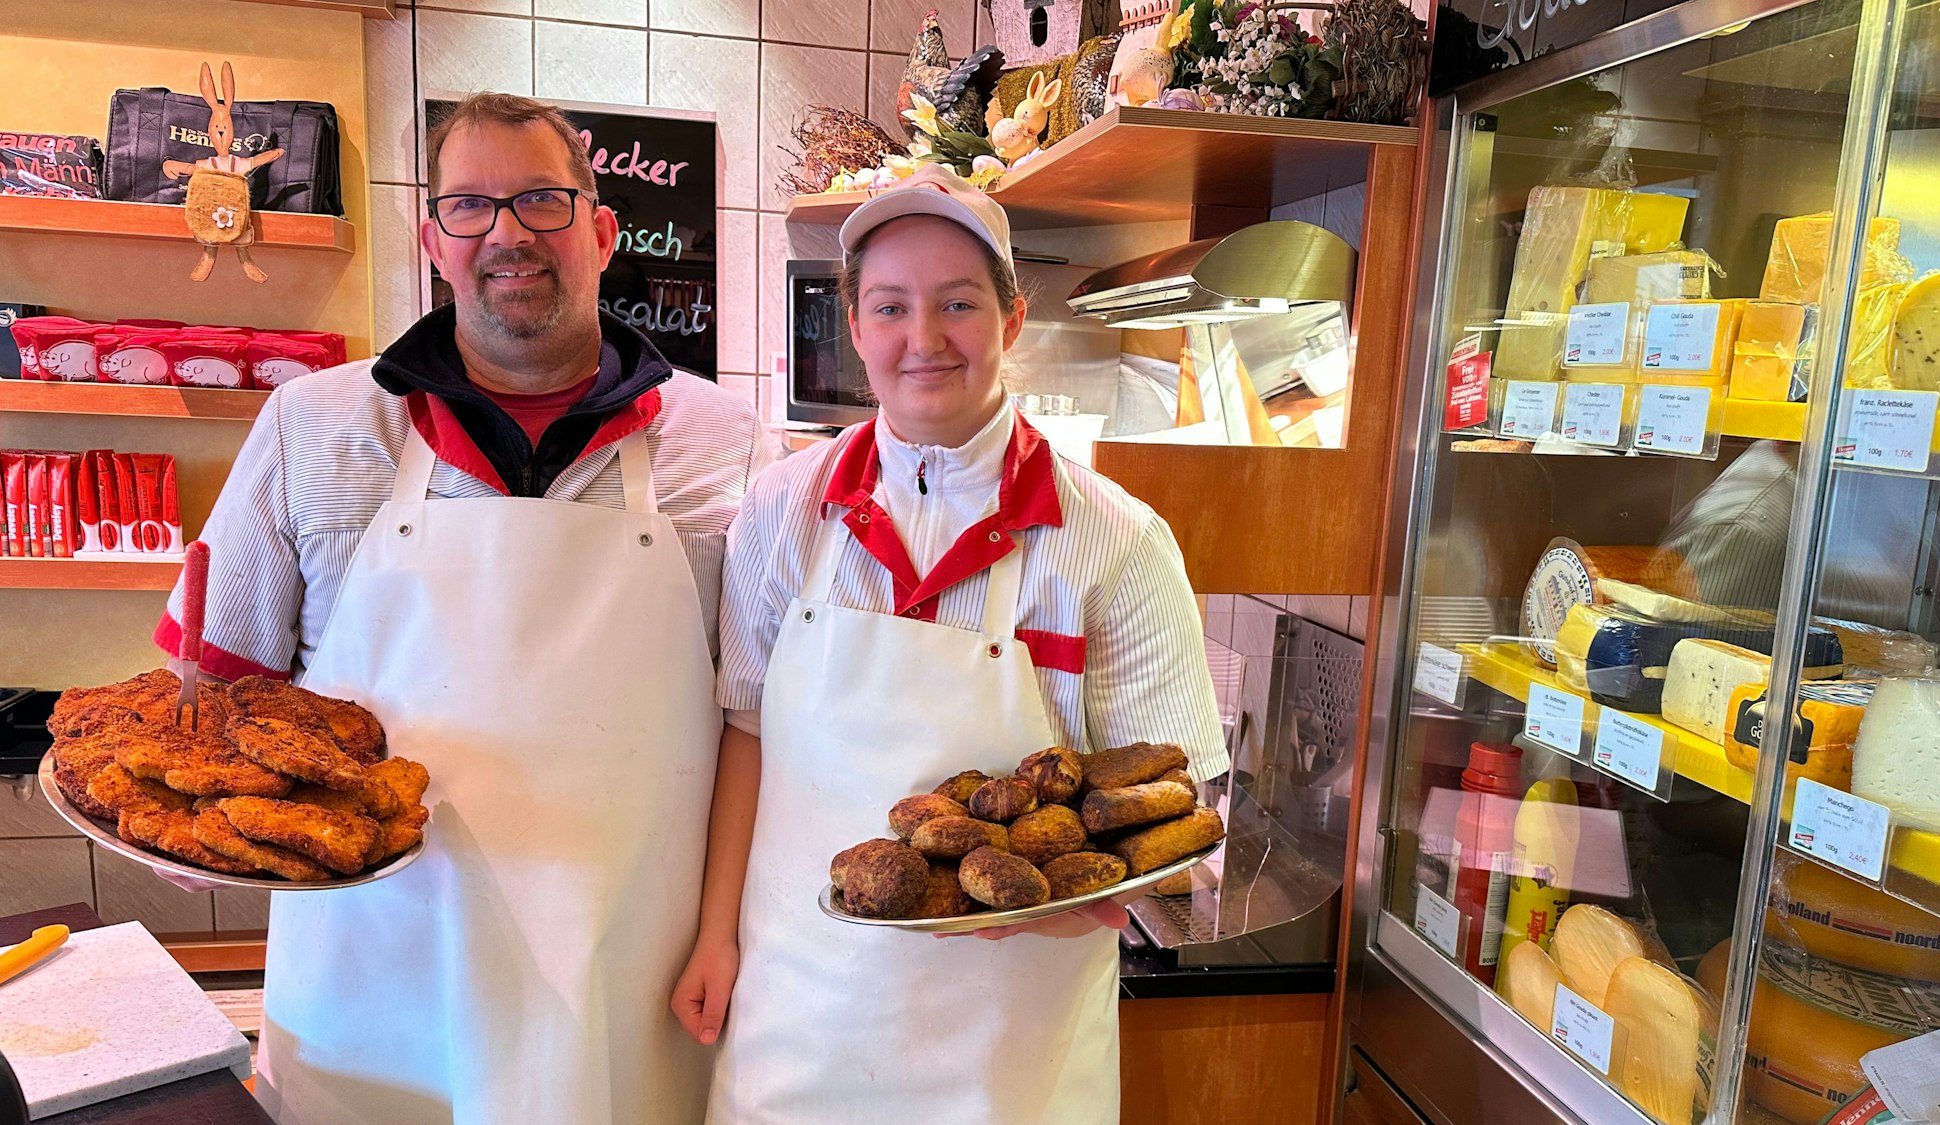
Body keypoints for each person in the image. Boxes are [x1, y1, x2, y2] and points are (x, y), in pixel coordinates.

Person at [152, 92, 766, 1125]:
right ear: (432, 240)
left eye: (541, 201)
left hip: (633, 974)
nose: (508, 235)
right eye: (471, 207)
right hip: (374, 975)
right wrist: (187, 827)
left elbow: (756, 719)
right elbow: (213, 686)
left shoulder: (729, 445)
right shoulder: (316, 424)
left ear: (601, 233)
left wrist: (729, 930)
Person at [673, 164, 1229, 1122]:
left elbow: (1176, 814)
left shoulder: (1118, 542)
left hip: (1012, 1038)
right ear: (853, 326)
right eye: (889, 306)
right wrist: (716, 934)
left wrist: (1084, 899)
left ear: (1013, 320)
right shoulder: (781, 509)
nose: (922, 339)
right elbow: (747, 737)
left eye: (958, 303)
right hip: (804, 1011)